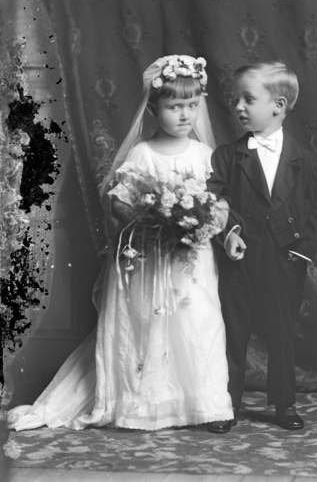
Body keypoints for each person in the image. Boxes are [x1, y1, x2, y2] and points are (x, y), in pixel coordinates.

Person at [7, 55, 233, 432]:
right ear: (153, 108)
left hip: (190, 262)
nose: (184, 115)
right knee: (148, 323)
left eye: (192, 106)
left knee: (198, 322)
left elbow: (220, 202)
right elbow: (119, 204)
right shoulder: (143, 154)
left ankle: (203, 404)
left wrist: (209, 220)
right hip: (148, 257)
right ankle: (144, 403)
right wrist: (153, 219)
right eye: (174, 106)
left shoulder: (204, 156)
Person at [206, 61, 317, 433]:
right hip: (239, 256)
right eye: (236, 100)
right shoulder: (227, 156)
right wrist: (228, 233)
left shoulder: (303, 159)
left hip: (284, 258)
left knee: (281, 334)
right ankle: (225, 405)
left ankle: (284, 404)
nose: (238, 107)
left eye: (248, 99)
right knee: (233, 332)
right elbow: (213, 201)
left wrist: (303, 249)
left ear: (278, 105)